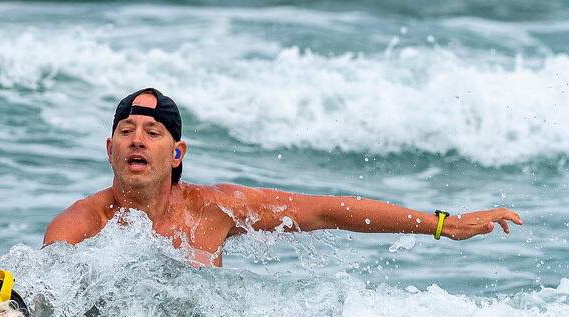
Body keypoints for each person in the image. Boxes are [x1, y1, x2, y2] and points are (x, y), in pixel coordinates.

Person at [43, 88, 522, 267]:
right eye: (126, 131)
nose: (137, 140)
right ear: (110, 149)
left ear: (176, 154)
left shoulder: (214, 208)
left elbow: (327, 211)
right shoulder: (82, 222)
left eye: (152, 132)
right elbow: (45, 291)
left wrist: (444, 224)